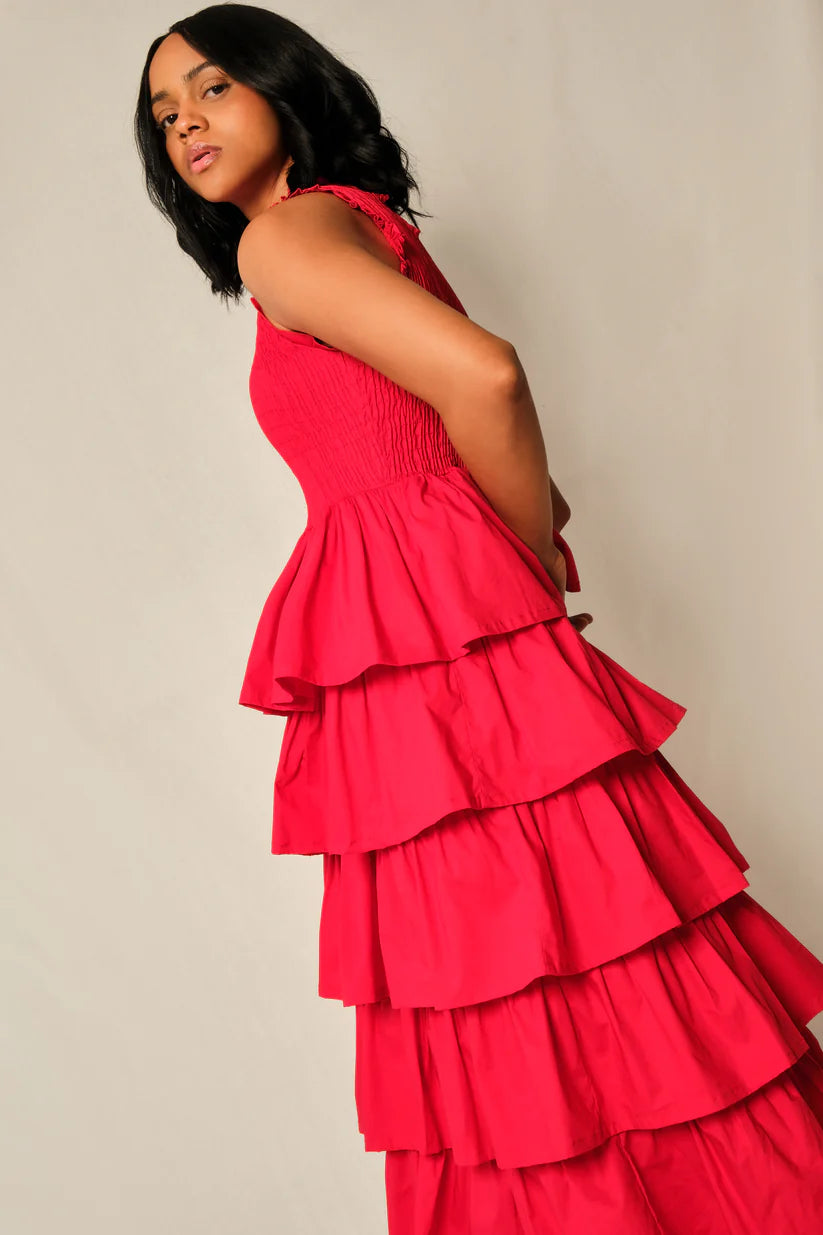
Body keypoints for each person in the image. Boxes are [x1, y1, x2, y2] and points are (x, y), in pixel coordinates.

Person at [137, 7, 823, 1231]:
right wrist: (514, 592)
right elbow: (471, 418)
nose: (184, 118)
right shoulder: (351, 220)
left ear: (285, 89)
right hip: (455, 653)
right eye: (163, 111)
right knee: (595, 965)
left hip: (429, 668)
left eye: (211, 86)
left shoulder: (285, 238)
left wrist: (513, 582)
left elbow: (485, 376)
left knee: (499, 993)